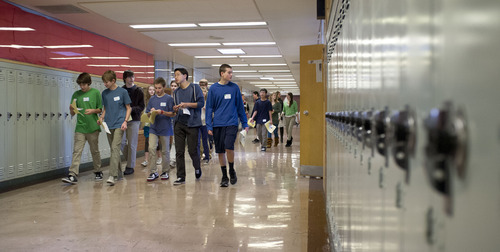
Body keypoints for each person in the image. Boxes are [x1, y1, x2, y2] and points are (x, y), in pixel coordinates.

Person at [206, 64, 248, 187]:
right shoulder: (213, 89)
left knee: (229, 146)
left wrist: (245, 123)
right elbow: (209, 108)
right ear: (222, 73)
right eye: (229, 72)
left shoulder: (234, 88)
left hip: (232, 123)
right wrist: (209, 126)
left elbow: (240, 107)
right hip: (217, 124)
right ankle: (224, 176)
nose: (231, 74)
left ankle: (231, 169)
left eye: (231, 72)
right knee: (220, 151)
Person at [62, 72, 103, 184]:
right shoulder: (76, 94)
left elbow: (100, 109)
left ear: (88, 83)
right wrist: (71, 109)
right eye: (80, 84)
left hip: (93, 127)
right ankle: (72, 174)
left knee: (94, 151)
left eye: (84, 84)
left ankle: (98, 171)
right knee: (77, 151)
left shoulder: (95, 93)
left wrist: (93, 111)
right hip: (80, 127)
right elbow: (73, 112)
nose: (82, 87)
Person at [172, 68, 204, 185]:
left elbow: (201, 103)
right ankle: (181, 176)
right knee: (179, 151)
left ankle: (197, 167)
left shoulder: (195, 88)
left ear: (185, 76)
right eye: (175, 75)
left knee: (192, 150)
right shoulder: (176, 92)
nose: (176, 77)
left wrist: (187, 104)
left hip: (193, 124)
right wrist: (175, 108)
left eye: (178, 75)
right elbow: (174, 107)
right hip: (179, 123)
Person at [98, 70, 131, 185]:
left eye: (107, 82)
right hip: (108, 124)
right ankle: (119, 174)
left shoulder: (123, 92)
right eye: (104, 82)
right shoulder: (105, 93)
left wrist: (125, 121)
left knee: (115, 148)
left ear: (113, 81)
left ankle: (112, 175)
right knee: (113, 149)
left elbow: (128, 108)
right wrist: (101, 118)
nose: (105, 84)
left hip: (119, 124)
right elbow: (105, 109)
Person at [146, 77, 175, 181]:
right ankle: (153, 172)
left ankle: (165, 171)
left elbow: (172, 114)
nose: (157, 90)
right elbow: (147, 113)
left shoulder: (169, 99)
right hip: (153, 128)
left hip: (165, 128)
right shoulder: (152, 99)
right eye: (156, 88)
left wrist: (161, 112)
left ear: (164, 87)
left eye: (159, 88)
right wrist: (151, 112)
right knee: (152, 148)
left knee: (165, 151)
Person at [121, 70, 145, 175]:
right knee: (121, 143)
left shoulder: (138, 90)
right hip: (122, 119)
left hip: (134, 119)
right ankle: (131, 158)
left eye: (133, 77)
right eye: (129, 77)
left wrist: (131, 109)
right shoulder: (121, 90)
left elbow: (141, 106)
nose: (131, 79)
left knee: (132, 144)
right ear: (125, 78)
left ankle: (130, 166)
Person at [141, 85, 162, 167]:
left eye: (153, 90)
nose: (152, 91)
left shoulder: (157, 100)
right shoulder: (145, 101)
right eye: (150, 90)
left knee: (156, 141)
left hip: (155, 123)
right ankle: (146, 159)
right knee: (147, 140)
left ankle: (159, 157)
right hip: (147, 122)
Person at [198, 84, 210, 164]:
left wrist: (207, 109)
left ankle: (207, 156)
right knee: (198, 141)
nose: (203, 93)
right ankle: (198, 156)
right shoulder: (197, 101)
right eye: (202, 91)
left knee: (205, 140)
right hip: (198, 123)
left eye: (205, 91)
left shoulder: (208, 102)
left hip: (205, 123)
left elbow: (211, 112)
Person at [168, 81, 178, 168]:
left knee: (175, 141)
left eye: (175, 86)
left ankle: (173, 159)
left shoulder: (179, 97)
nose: (173, 87)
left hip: (176, 121)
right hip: (167, 121)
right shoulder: (167, 98)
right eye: (172, 86)